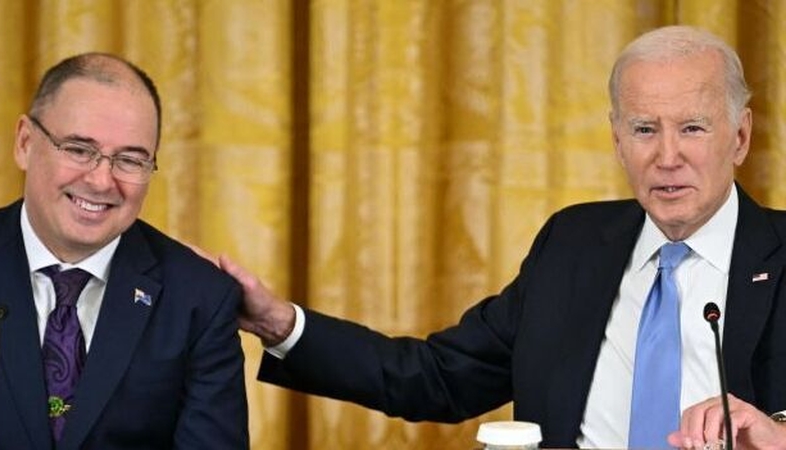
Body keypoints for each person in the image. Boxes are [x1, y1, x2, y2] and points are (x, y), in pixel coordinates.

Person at [218, 26, 786, 449]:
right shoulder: (574, 244)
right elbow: (436, 378)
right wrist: (279, 323)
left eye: (692, 127)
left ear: (738, 137)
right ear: (617, 141)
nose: (667, 157)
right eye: (643, 130)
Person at [0, 53, 249, 449]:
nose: (101, 180)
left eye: (130, 160)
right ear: (25, 143)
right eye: (77, 149)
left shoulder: (200, 299)